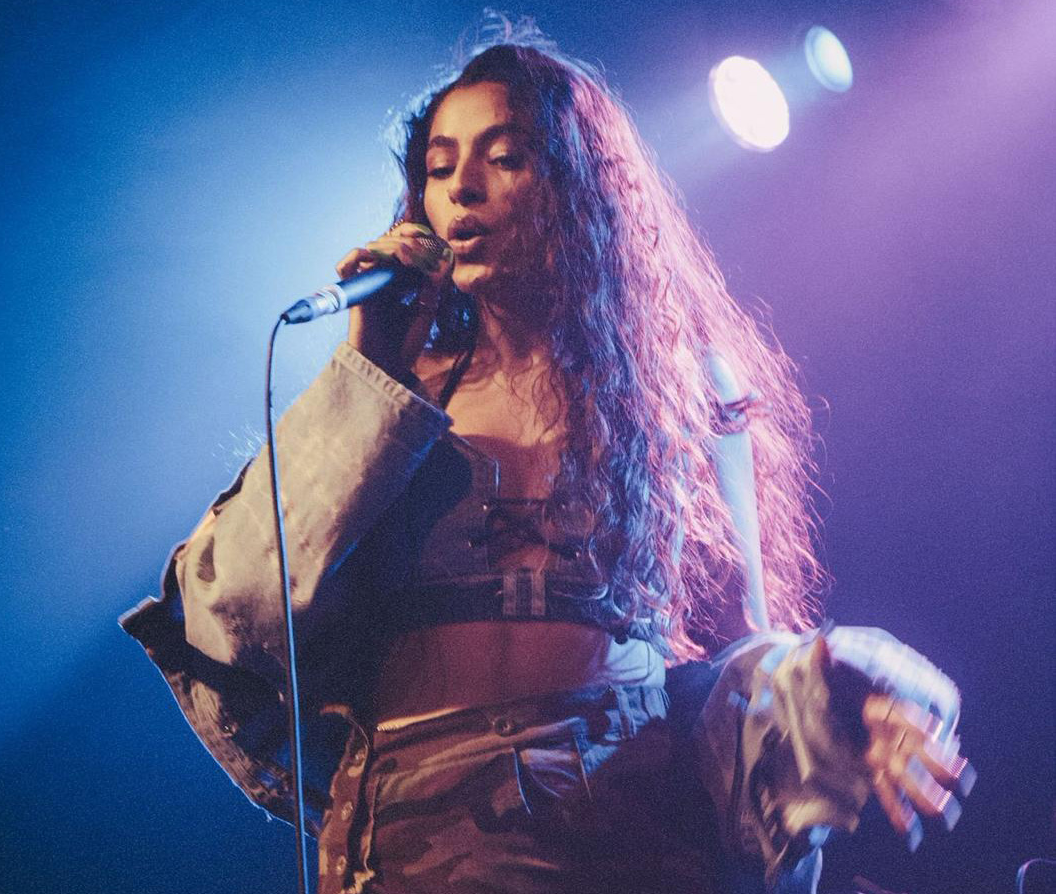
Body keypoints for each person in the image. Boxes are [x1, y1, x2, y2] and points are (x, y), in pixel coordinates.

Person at [122, 31, 973, 894]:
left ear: (576, 187)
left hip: (618, 823)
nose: (462, 186)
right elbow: (240, 602)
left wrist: (842, 698)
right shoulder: (392, 396)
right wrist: (366, 371)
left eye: (506, 156)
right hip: (413, 835)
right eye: (440, 164)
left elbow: (743, 642)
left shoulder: (675, 396)